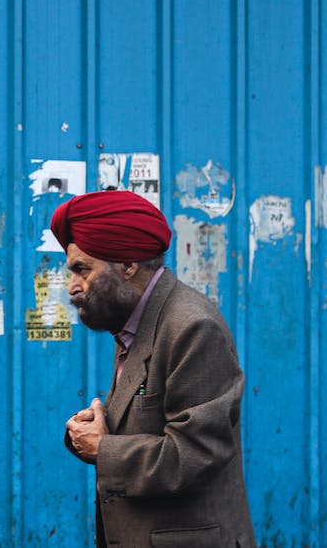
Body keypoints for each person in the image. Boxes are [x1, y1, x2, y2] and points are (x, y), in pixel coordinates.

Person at [55, 190, 254, 547]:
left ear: (128, 264)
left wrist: (103, 449)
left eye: (83, 269)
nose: (72, 287)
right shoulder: (136, 324)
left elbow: (196, 454)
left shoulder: (191, 327)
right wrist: (92, 432)